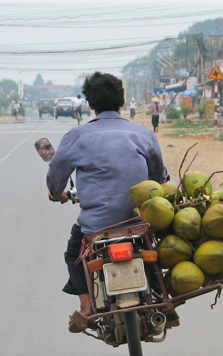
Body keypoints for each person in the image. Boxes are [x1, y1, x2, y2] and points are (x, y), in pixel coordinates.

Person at [46, 72, 169, 327]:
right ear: (122, 100)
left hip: (96, 227)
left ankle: (87, 305)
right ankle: (162, 296)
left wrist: (57, 193)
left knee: (73, 254)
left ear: (90, 104)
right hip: (138, 221)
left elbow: (56, 177)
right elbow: (158, 180)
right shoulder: (143, 135)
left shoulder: (76, 137)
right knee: (155, 247)